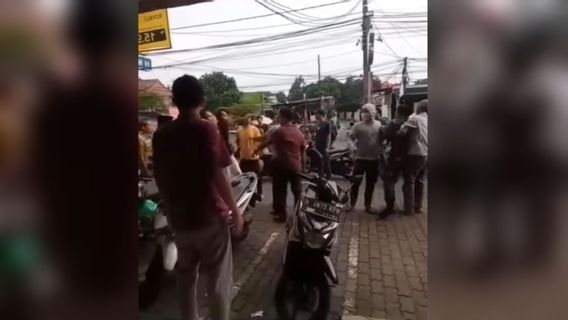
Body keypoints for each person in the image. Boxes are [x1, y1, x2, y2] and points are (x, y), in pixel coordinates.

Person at [152, 75, 242, 320]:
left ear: (174, 100)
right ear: (202, 101)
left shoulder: (161, 135)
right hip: (210, 217)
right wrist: (235, 211)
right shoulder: (206, 129)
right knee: (218, 281)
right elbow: (218, 174)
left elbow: (159, 177)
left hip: (181, 220)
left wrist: (170, 211)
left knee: (185, 277)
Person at [258, 108, 306, 223]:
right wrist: (303, 167)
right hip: (296, 166)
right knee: (297, 191)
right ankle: (298, 213)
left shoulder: (279, 131)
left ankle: (281, 215)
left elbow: (267, 142)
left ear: (284, 118)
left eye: (278, 116)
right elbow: (303, 151)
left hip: (281, 165)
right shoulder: (299, 132)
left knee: (280, 190)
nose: (277, 118)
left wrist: (255, 149)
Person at [378, 104, 412, 219]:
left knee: (389, 182)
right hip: (409, 157)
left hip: (395, 156)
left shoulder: (394, 123)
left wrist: (382, 129)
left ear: (398, 112)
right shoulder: (411, 123)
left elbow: (385, 135)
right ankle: (409, 208)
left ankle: (390, 207)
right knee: (408, 182)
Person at [348, 103, 383, 214]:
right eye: (365, 112)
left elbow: (383, 139)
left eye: (369, 112)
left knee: (371, 183)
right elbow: (350, 138)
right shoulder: (358, 126)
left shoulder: (379, 125)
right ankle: (351, 204)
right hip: (360, 159)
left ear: (374, 113)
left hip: (374, 159)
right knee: (356, 182)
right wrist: (352, 146)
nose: (367, 114)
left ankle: (368, 205)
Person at [398, 99, 428, 215]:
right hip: (427, 154)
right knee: (420, 181)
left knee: (409, 181)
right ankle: (418, 207)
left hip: (416, 154)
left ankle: (408, 209)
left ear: (419, 108)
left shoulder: (414, 118)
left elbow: (402, 132)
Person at [201, 110, 242, 181]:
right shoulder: (208, 130)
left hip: (227, 156)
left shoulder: (220, 128)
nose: (225, 117)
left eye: (225, 115)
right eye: (208, 117)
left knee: (237, 175)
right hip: (220, 161)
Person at [236, 117, 263, 200]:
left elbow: (259, 141)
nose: (247, 120)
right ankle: (246, 196)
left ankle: (259, 193)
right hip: (244, 157)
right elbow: (238, 141)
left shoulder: (254, 129)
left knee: (257, 176)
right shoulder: (239, 130)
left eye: (249, 119)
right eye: (245, 119)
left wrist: (256, 151)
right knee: (243, 178)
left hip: (253, 157)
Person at [314, 109, 332, 179]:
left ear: (320, 115)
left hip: (324, 146)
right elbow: (316, 134)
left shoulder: (327, 123)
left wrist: (327, 147)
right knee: (319, 160)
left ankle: (328, 176)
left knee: (326, 161)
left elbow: (328, 136)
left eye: (316, 114)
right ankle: (320, 176)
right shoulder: (318, 123)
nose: (315, 115)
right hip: (317, 145)